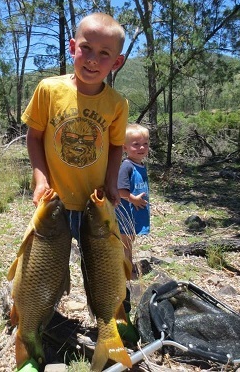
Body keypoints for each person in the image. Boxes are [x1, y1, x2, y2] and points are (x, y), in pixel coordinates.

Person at [20, 12, 134, 370]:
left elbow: (116, 147)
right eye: (86, 49)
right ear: (73, 48)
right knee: (33, 274)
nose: (93, 60)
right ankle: (27, 337)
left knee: (104, 271)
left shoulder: (117, 104)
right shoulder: (49, 89)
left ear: (116, 62)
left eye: (104, 54)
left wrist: (113, 180)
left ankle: (114, 325)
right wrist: (40, 179)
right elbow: (34, 136)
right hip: (52, 205)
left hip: (95, 207)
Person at [117, 123, 150, 278]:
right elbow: (121, 191)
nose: (141, 148)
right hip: (126, 214)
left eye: (145, 144)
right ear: (125, 148)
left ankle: (127, 269)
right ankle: (126, 272)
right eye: (136, 145)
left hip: (135, 213)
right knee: (125, 243)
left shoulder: (140, 165)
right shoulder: (126, 166)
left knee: (129, 241)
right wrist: (134, 200)